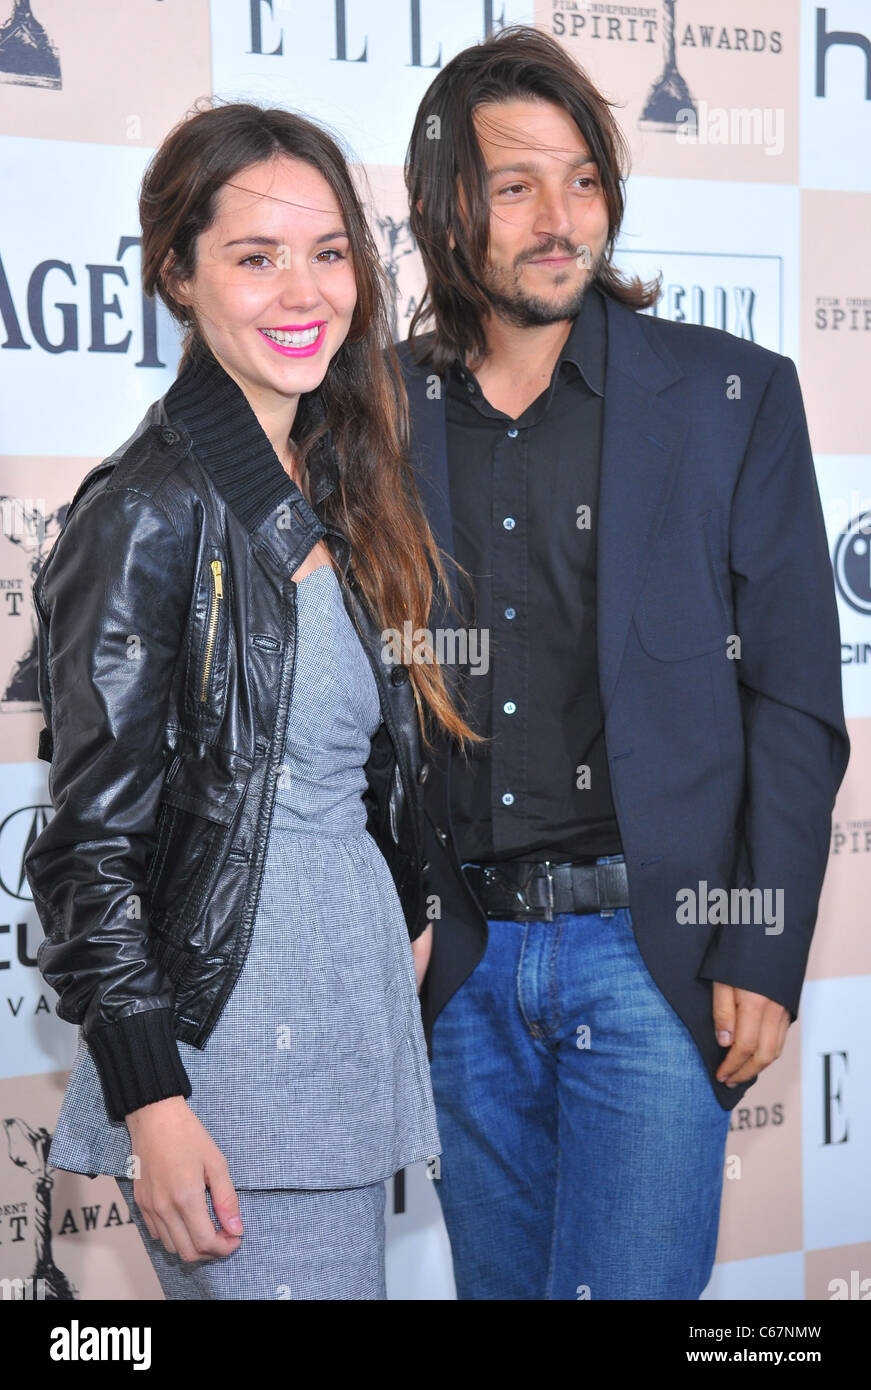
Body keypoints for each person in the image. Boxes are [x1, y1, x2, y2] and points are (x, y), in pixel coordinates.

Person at [397, 26, 850, 1300]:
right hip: (460, 968)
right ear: (446, 208)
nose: (561, 221)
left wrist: (761, 945)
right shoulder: (373, 413)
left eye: (583, 180)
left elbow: (793, 700)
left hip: (656, 964)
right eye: (515, 186)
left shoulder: (730, 397)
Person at [24, 100, 477, 1301]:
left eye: (328, 252)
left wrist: (405, 898)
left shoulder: (321, 475)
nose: (304, 291)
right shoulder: (148, 508)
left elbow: (343, 759)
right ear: (178, 276)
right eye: (256, 256)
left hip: (341, 1022)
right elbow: (85, 852)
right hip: (235, 1057)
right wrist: (154, 1100)